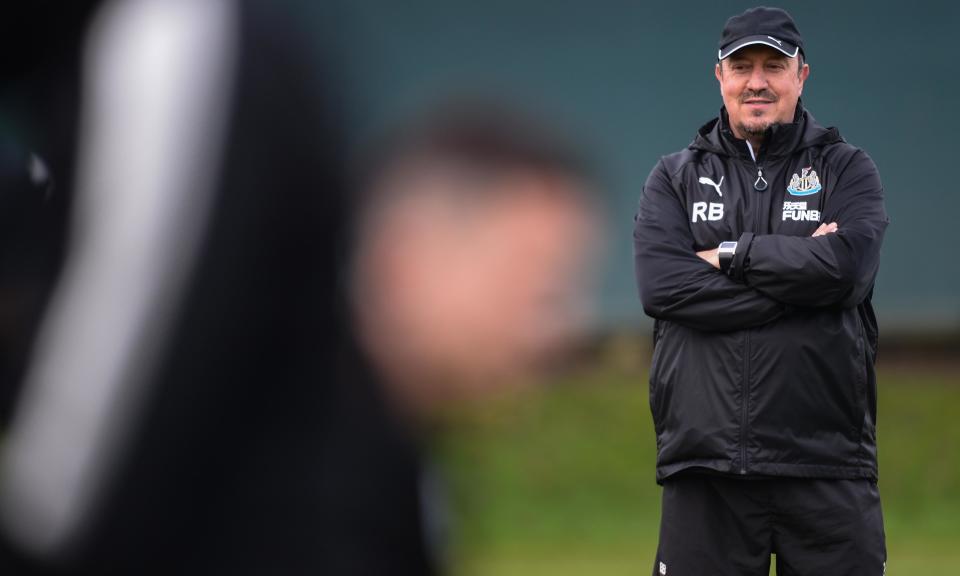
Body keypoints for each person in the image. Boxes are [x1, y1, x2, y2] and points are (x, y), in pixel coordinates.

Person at [633, 7, 888, 576]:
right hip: (708, 468)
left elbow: (847, 271)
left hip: (827, 463)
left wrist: (731, 256)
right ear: (718, 77)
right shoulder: (673, 177)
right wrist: (803, 279)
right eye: (742, 66)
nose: (757, 81)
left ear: (801, 75)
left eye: (774, 65)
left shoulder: (847, 169)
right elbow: (664, 287)